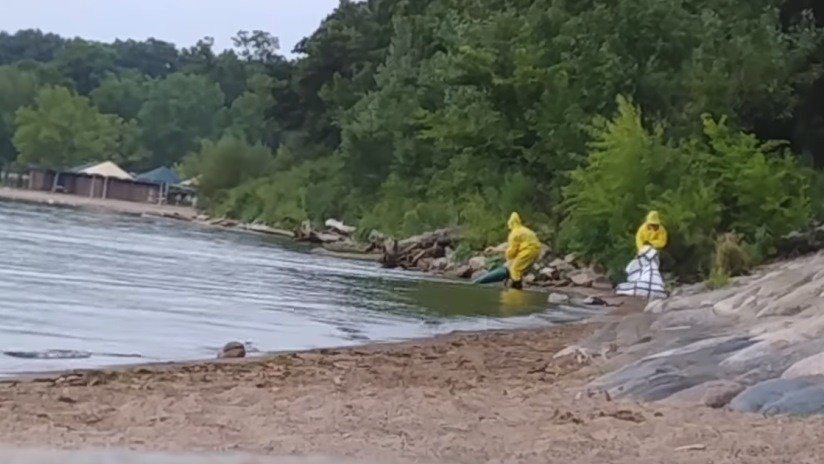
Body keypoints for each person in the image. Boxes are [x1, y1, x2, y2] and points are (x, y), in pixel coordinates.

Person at [504, 212, 541, 290]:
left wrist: (508, 257)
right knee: (519, 268)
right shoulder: (525, 230)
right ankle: (518, 285)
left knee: (514, 269)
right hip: (536, 250)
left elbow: (513, 250)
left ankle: (516, 289)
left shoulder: (514, 234)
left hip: (528, 251)